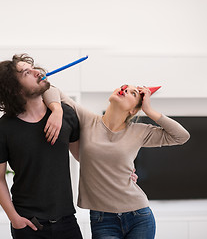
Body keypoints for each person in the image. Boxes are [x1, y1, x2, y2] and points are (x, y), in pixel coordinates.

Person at [43, 84, 190, 239]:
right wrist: (57, 109)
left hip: (138, 216)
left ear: (133, 110)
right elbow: (49, 88)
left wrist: (148, 110)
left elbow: (181, 136)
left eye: (133, 93)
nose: (125, 90)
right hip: (102, 219)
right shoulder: (88, 120)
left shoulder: (139, 131)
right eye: (124, 87)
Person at [0, 53, 83, 239]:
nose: (37, 72)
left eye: (33, 68)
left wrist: (121, 170)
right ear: (14, 89)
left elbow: (84, 157)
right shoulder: (1, 131)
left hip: (67, 221)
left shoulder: (67, 115)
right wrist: (14, 218)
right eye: (26, 73)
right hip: (29, 225)